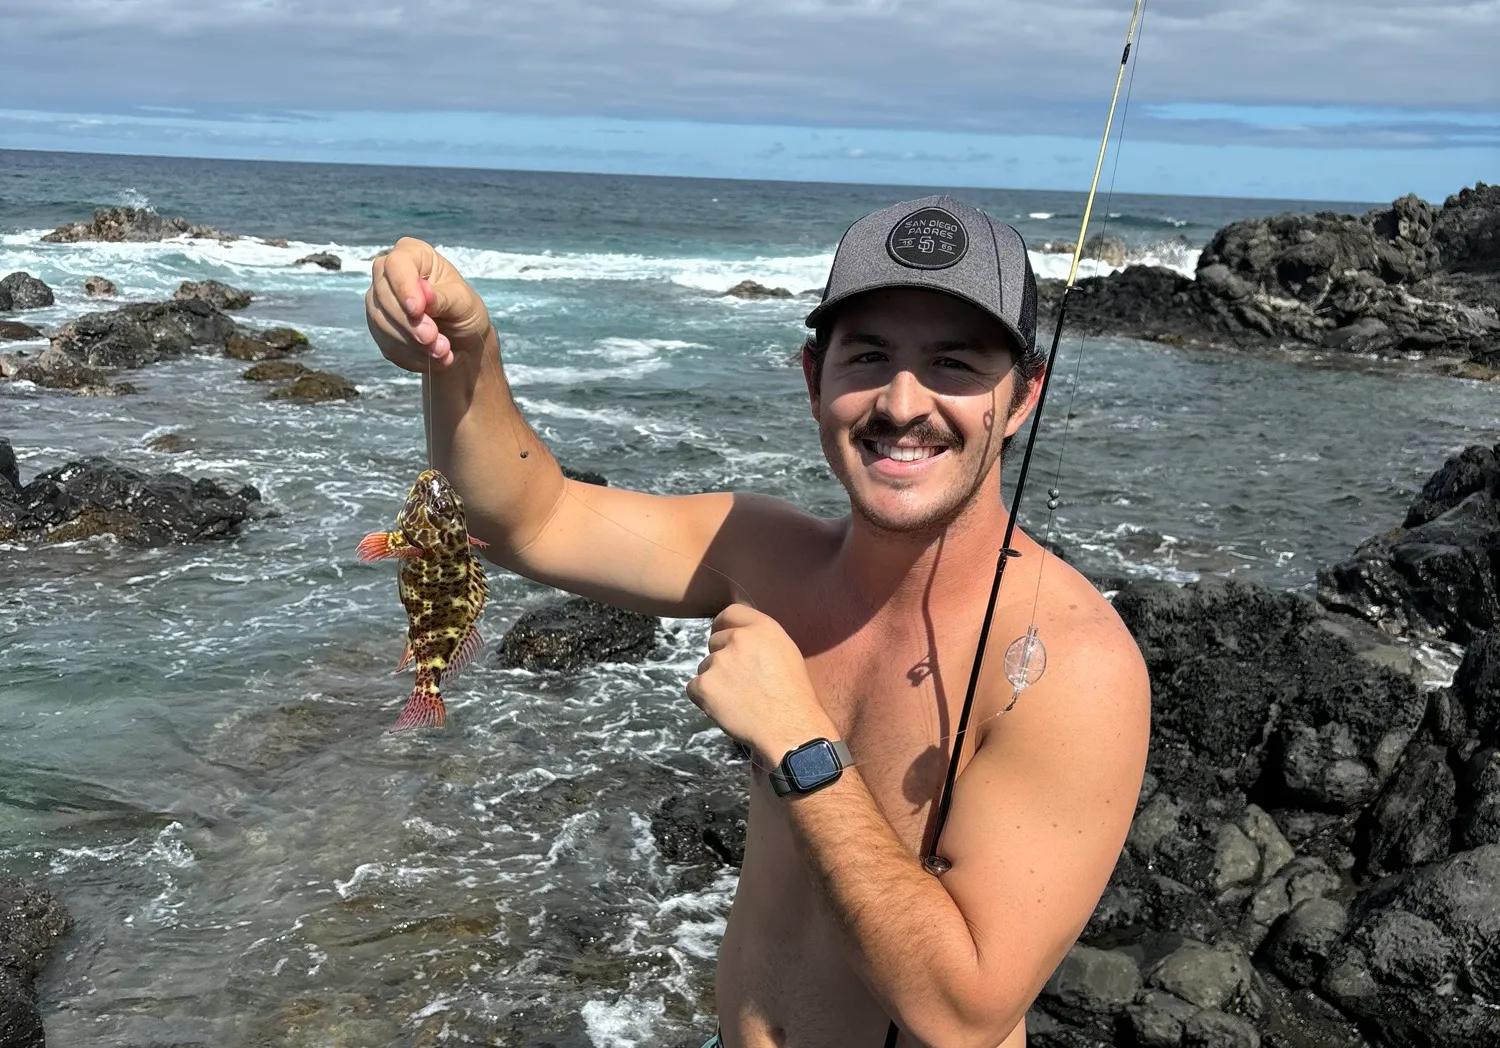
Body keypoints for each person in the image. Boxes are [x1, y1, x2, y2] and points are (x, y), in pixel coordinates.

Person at [365, 195, 1151, 1048]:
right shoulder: (771, 556)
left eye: (954, 364)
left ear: (1023, 394)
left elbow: (961, 1011)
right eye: (869, 356)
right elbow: (529, 518)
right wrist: (460, 356)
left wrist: (799, 741)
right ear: (815, 379)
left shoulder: (1070, 666)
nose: (901, 401)